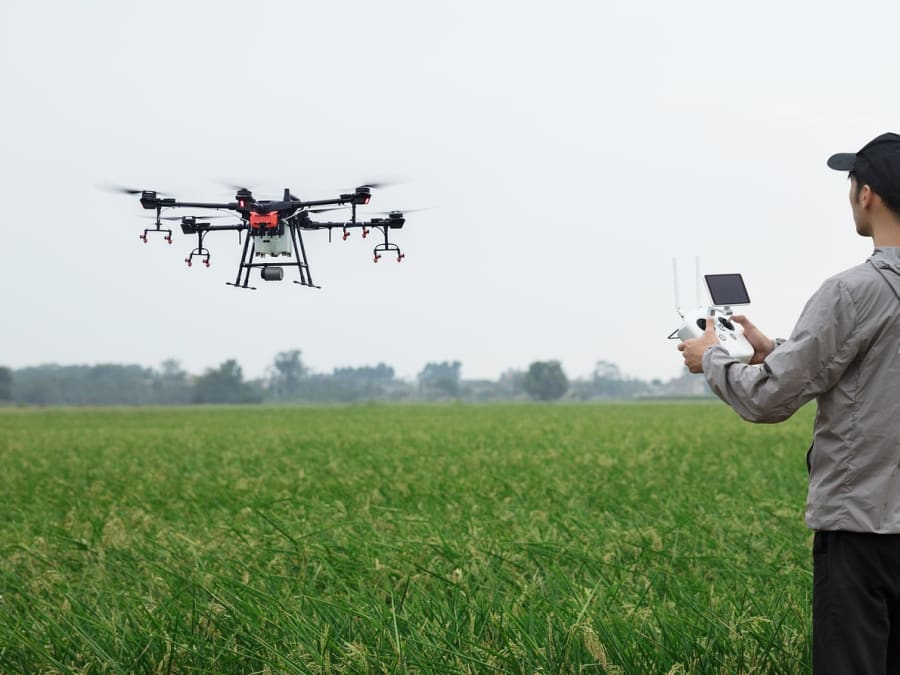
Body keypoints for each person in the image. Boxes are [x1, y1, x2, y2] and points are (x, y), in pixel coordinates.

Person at [678, 132, 900, 674]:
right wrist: (775, 351)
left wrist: (711, 357)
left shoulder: (852, 291)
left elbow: (772, 399)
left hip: (862, 532)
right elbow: (871, 371)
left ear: (865, 193)